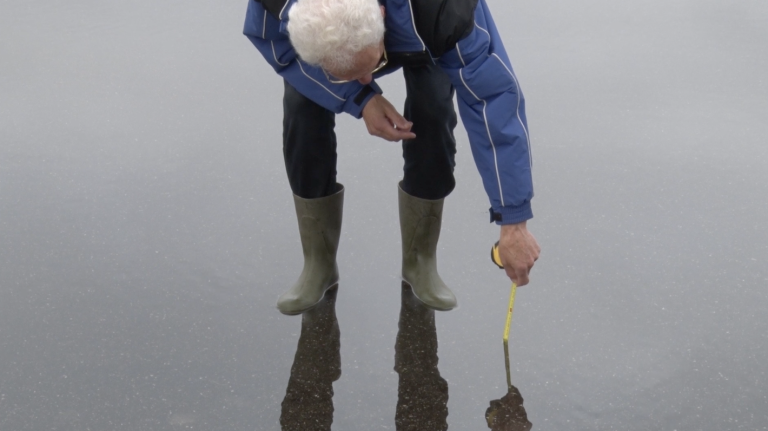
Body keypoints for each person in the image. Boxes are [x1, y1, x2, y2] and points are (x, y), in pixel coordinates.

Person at [244, 0, 540, 315]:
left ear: (382, 18)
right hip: (351, 28)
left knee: (433, 107)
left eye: (367, 70)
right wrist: (360, 98)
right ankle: (318, 261)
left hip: (418, 23)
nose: (365, 79)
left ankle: (420, 259)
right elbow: (276, 46)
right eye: (348, 76)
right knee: (302, 106)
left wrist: (514, 221)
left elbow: (491, 100)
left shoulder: (444, 12)